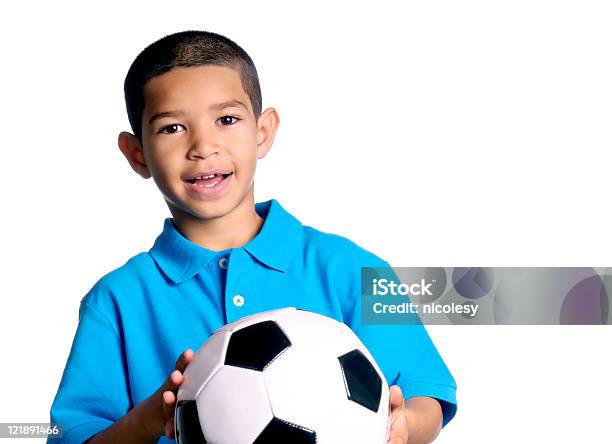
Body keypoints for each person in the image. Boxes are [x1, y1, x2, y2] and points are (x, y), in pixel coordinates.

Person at [48, 30, 458, 444]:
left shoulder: (350, 269)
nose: (203, 146)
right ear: (137, 154)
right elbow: (71, 438)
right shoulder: (116, 301)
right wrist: (150, 417)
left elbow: (428, 395)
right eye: (172, 127)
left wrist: (402, 426)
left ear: (263, 132)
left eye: (226, 120)